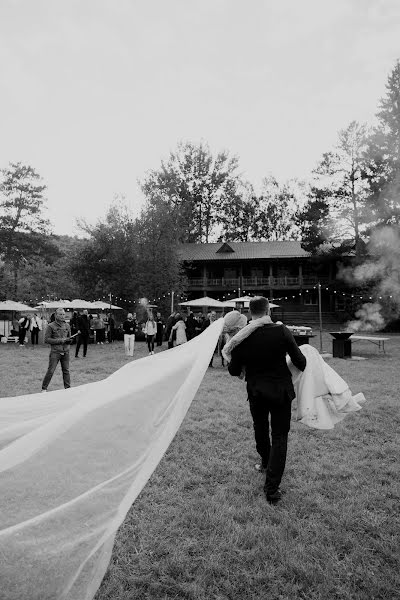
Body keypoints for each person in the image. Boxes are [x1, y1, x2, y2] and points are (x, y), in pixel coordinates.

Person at [224, 296, 307, 505]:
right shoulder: (281, 331)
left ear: (250, 312)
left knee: (260, 427)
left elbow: (233, 370)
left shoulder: (242, 337)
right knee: (280, 436)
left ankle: (264, 463)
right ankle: (272, 489)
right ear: (268, 310)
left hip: (256, 391)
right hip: (280, 391)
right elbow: (301, 362)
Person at [41, 308, 72, 392]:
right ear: (56, 315)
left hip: (66, 351)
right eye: (60, 314)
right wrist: (60, 341)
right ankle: (44, 389)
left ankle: (68, 389)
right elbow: (46, 340)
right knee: (51, 371)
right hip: (55, 352)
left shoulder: (67, 325)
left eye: (63, 314)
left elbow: (69, 338)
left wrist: (69, 341)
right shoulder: (50, 326)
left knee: (66, 370)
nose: (62, 316)